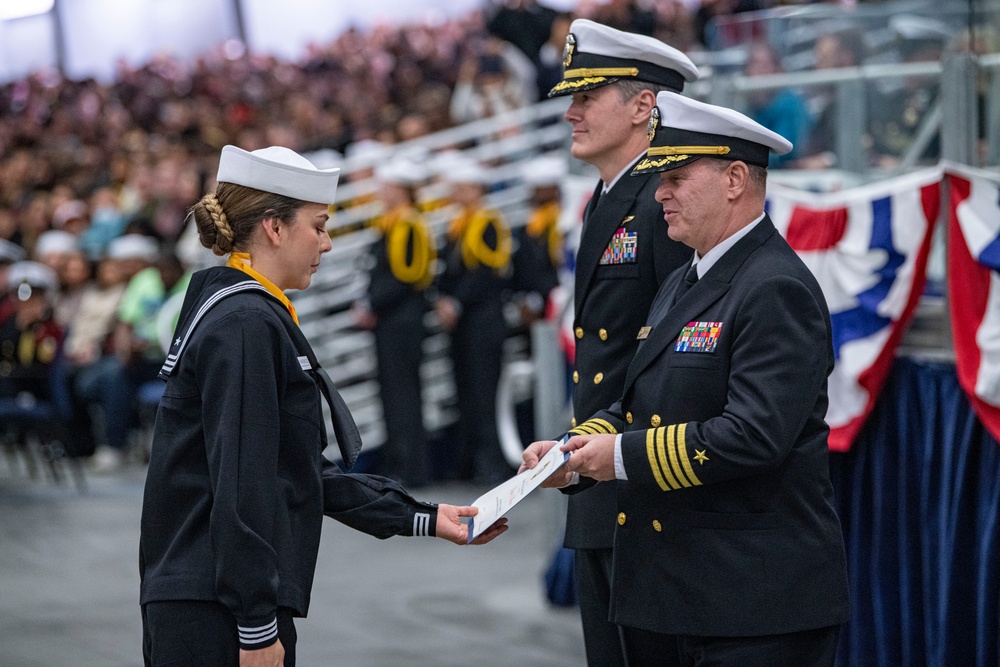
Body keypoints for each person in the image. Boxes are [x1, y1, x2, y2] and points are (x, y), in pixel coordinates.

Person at [139, 145, 507, 667]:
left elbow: (291, 465)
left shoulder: (232, 304)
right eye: (318, 225)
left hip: (206, 593)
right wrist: (256, 625)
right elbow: (244, 483)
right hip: (217, 608)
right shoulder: (246, 323)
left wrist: (422, 517)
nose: (327, 243)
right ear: (274, 227)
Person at [523, 91, 850, 666]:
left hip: (752, 603)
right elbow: (639, 404)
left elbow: (754, 435)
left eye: (676, 176)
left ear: (735, 179)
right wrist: (574, 454)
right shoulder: (685, 281)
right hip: (679, 593)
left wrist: (618, 457)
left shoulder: (774, 287)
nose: (660, 193)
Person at [543, 18, 697, 666]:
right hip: (600, 485)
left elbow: (676, 359)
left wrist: (610, 452)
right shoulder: (605, 201)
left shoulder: (666, 201)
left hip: (645, 495)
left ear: (644, 105)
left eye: (589, 95)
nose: (572, 112)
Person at [352, 159, 437, 487]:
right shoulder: (389, 224)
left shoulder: (411, 224)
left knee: (405, 394)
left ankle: (413, 466)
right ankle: (399, 461)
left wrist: (373, 302)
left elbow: (409, 275)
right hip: (389, 322)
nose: (382, 192)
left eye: (387, 186)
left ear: (401, 190)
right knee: (392, 393)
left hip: (403, 321)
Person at [434, 159, 513, 485]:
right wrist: (440, 298)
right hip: (462, 324)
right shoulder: (457, 225)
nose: (458, 193)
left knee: (485, 393)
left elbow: (487, 272)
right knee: (465, 392)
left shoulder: (489, 222)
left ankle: (490, 462)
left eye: (464, 188)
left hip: (483, 321)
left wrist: (456, 300)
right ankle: (469, 461)